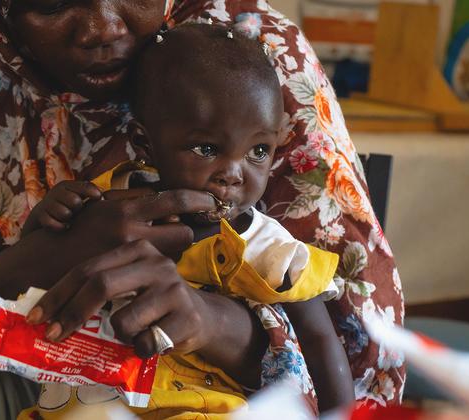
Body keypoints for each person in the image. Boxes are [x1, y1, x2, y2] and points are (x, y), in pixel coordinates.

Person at [0, 0, 404, 417]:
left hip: (230, 391)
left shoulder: (255, 62)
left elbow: (358, 365)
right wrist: (30, 266)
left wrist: (210, 322)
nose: (101, 27)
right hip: (36, 377)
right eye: (53, 1)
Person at [20, 23, 353, 417]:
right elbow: (33, 270)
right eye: (207, 148)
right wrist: (47, 219)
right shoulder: (107, 204)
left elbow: (318, 339)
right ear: (147, 144)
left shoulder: (267, 247)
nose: (234, 172)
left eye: (259, 150)